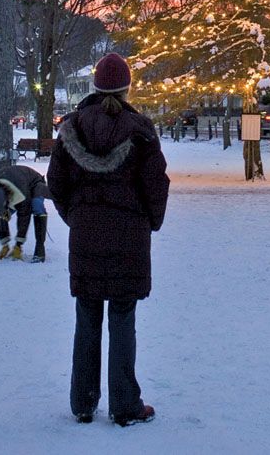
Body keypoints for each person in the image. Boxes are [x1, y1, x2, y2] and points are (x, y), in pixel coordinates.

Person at [47, 52, 169, 428]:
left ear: (95, 87)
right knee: (122, 318)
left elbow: (57, 182)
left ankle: (83, 402)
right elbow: (156, 184)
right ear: (126, 87)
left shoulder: (72, 128)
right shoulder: (141, 130)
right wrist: (148, 222)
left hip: (86, 236)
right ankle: (125, 404)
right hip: (128, 239)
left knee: (87, 319)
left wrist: (77, 218)